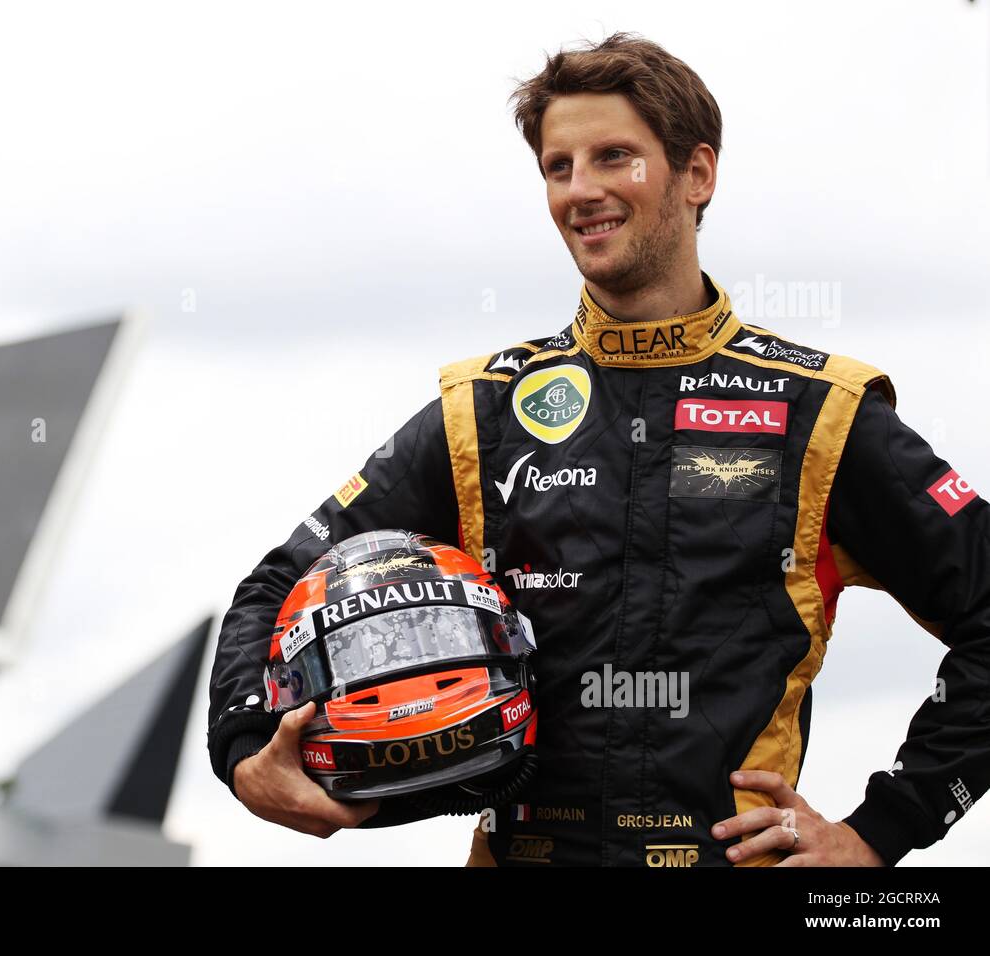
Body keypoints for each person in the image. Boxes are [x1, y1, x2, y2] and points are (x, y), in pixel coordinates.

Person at [206, 33, 990, 865]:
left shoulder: (818, 411)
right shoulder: (485, 411)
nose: (582, 191)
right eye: (559, 167)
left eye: (614, 157)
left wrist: (883, 831)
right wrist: (245, 748)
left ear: (697, 175)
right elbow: (278, 582)